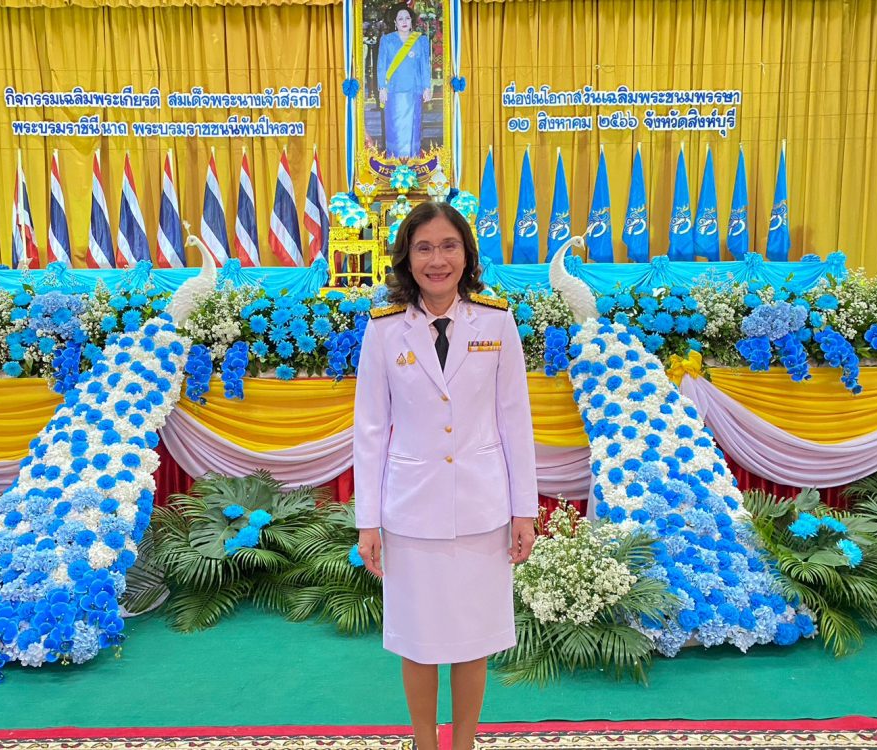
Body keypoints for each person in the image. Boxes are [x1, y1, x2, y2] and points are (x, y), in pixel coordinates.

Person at [354, 202, 538, 750]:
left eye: (449, 246)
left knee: (473, 639)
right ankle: (423, 742)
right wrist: (367, 522)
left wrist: (523, 511)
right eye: (425, 248)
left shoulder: (496, 321)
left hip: (482, 507)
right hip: (411, 510)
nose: (438, 260)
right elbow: (370, 430)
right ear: (407, 259)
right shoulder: (384, 330)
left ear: (467, 255)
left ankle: (464, 743)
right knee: (418, 639)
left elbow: (515, 420)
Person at [376, 4, 432, 158]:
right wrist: (382, 88)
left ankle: (413, 163)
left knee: (413, 129)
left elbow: (424, 66)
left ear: (411, 20)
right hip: (393, 92)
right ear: (395, 22)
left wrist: (427, 87)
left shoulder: (420, 40)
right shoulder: (387, 40)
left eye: (407, 18)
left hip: (414, 91)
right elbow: (381, 66)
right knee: (395, 129)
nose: (404, 21)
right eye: (400, 19)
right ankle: (394, 164)